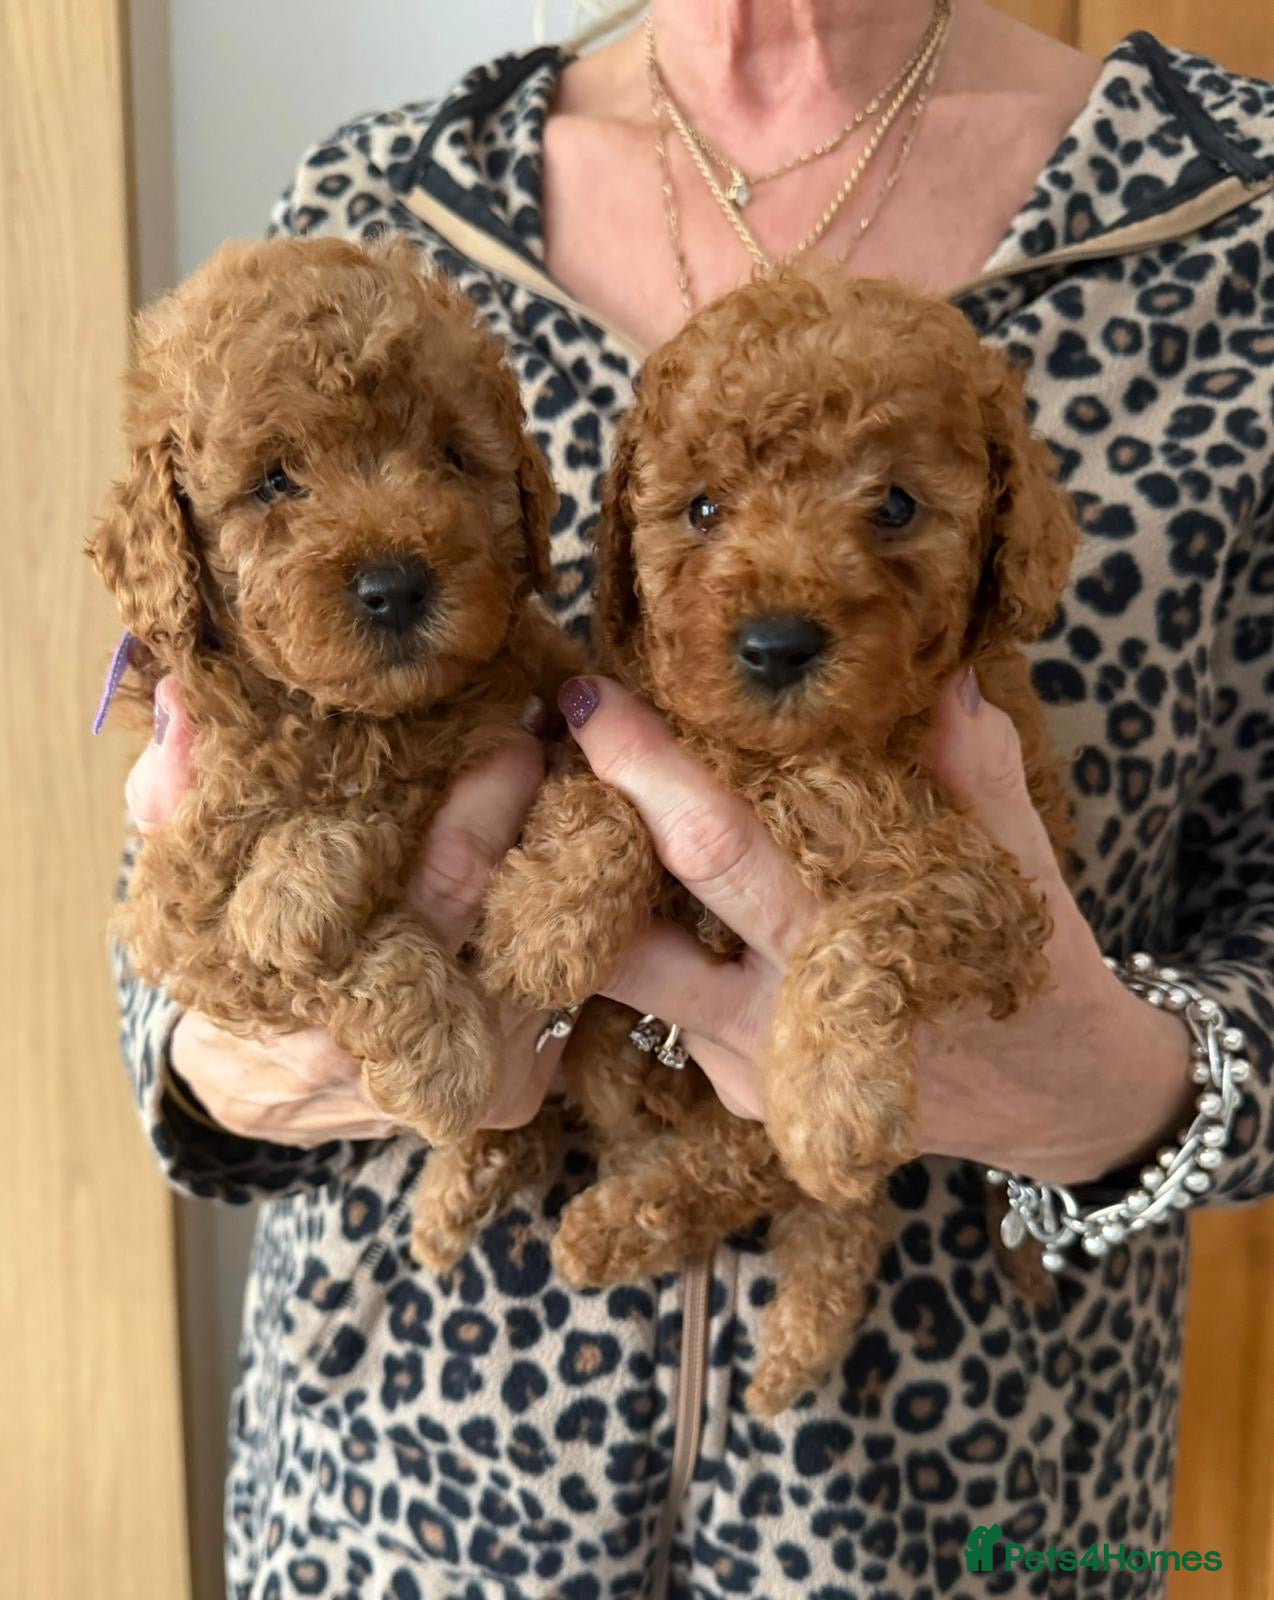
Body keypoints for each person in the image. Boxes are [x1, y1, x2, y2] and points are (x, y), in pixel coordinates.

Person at [118, 2, 1274, 1594]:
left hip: (969, 1511)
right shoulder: (389, 190)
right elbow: (186, 783)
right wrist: (230, 1047)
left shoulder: (1232, 209)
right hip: (406, 1507)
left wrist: (1128, 1094)